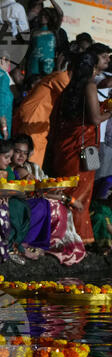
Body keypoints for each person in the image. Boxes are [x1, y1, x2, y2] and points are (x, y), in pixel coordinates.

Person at [50, 46, 112, 244]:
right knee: (81, 192)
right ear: (93, 64)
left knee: (70, 190)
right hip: (85, 147)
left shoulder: (71, 86)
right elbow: (95, 118)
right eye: (102, 59)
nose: (107, 62)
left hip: (71, 146)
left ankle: (66, 234)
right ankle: (75, 238)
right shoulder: (90, 85)